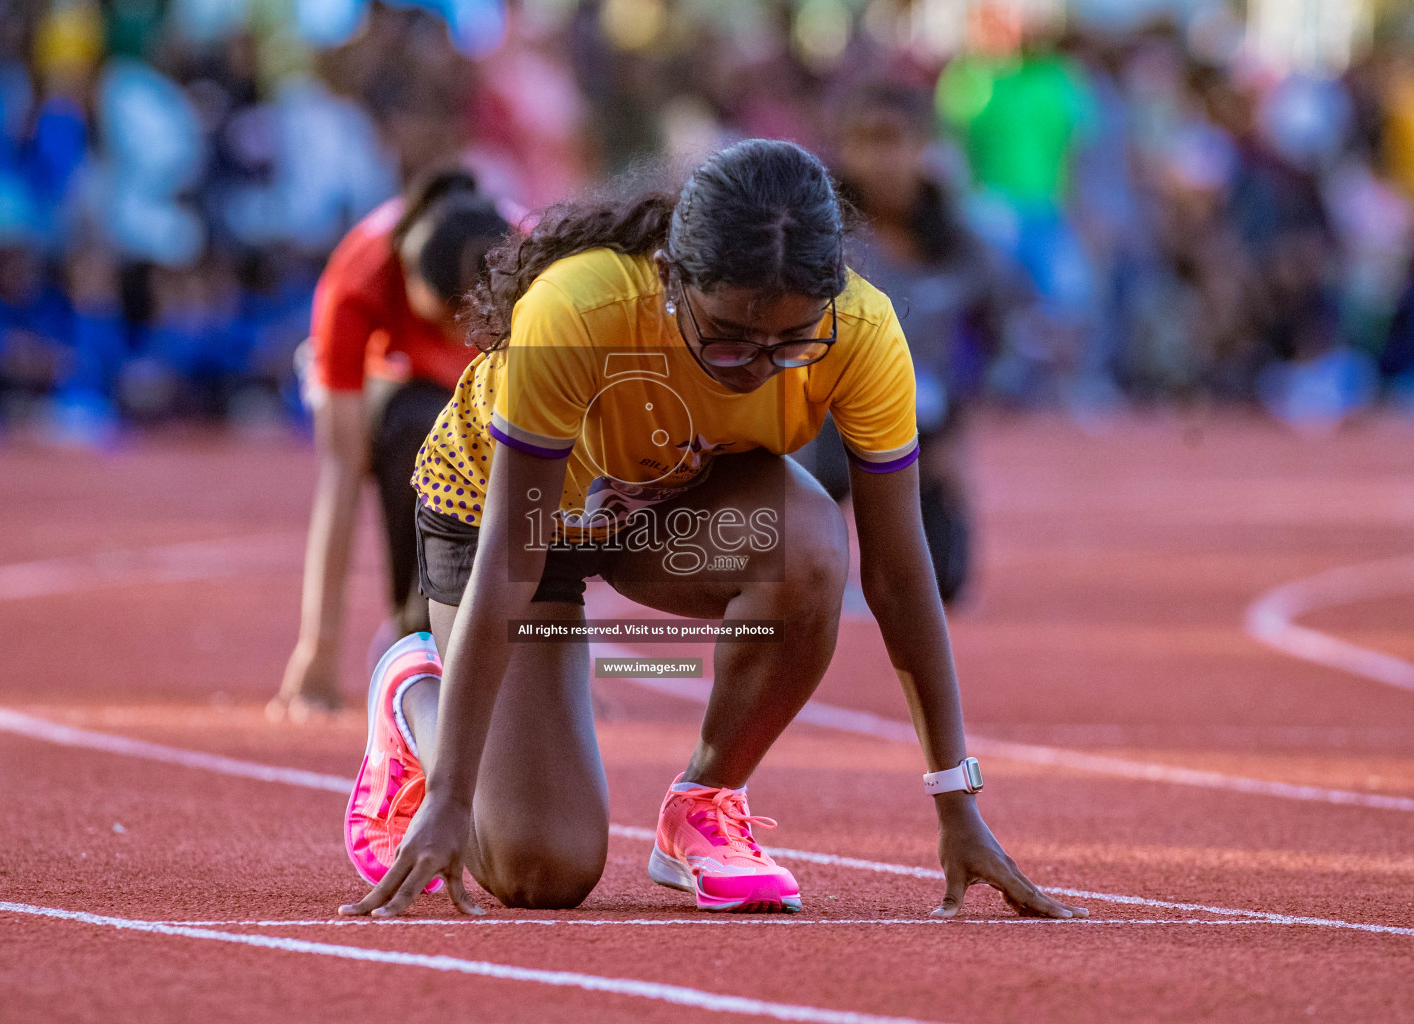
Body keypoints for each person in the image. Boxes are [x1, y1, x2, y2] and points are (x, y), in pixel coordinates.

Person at [337, 140, 1086, 920]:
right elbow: (512, 557)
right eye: (726, 335)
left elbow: (898, 575)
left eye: (791, 343)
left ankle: (704, 803)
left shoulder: (862, 332)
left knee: (811, 545)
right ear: (669, 279)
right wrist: (454, 793)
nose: (755, 367)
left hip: (660, 500)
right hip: (503, 515)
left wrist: (955, 799)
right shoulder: (576, 309)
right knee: (539, 871)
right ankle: (414, 694)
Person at [270, 169, 512, 721]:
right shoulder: (357, 279)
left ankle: (467, 636)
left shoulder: (530, 268)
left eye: (472, 322)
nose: (458, 338)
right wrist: (319, 649)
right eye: (443, 321)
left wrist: (559, 664)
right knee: (420, 431)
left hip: (498, 388)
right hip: (400, 390)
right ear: (407, 281)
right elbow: (342, 471)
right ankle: (415, 629)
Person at [830, 81, 1019, 603]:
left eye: (895, 141)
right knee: (778, 574)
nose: (881, 158)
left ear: (924, 148)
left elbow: (1002, 338)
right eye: (866, 140)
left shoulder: (962, 246)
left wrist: (957, 432)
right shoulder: (812, 237)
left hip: (918, 432)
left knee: (943, 585)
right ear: (845, 148)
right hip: (815, 422)